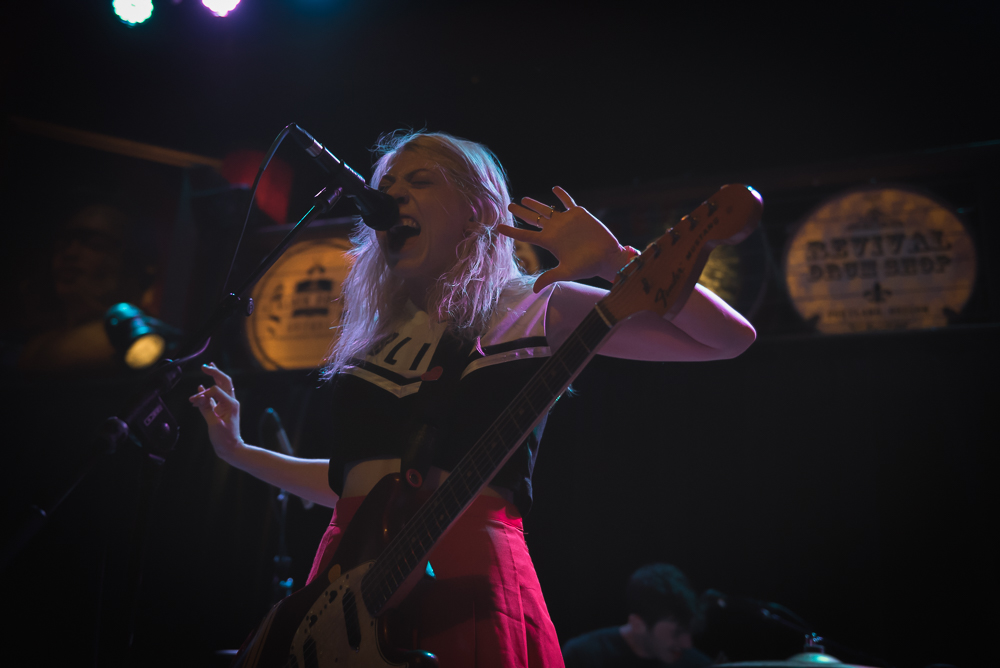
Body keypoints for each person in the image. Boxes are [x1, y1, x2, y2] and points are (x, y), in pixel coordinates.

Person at [189, 131, 755, 667]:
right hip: (348, 581)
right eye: (385, 186)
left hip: (467, 572)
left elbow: (728, 339)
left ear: (479, 209)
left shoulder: (534, 306)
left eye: (420, 181)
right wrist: (236, 452)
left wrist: (614, 262)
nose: (392, 197)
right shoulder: (372, 338)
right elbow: (353, 484)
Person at [562, 564, 712, 668]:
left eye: (688, 631)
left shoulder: (697, 664)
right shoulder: (582, 657)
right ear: (637, 623)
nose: (687, 644)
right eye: (676, 633)